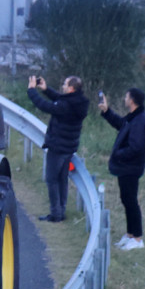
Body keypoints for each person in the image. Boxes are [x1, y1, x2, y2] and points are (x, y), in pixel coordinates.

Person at [27, 75, 90, 222]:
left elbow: (45, 106)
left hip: (58, 147)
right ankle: (60, 211)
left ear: (71, 88)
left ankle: (56, 214)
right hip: (69, 147)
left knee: (51, 179)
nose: (62, 86)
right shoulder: (78, 102)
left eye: (65, 84)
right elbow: (61, 99)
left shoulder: (66, 106)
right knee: (62, 179)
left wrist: (32, 90)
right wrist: (46, 89)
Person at [99, 88, 145, 249]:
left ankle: (138, 238)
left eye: (126, 96)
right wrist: (107, 112)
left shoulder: (140, 120)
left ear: (132, 100)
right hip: (126, 167)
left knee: (131, 201)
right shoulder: (133, 117)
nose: (124, 98)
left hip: (131, 168)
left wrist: (118, 154)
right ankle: (130, 235)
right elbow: (121, 124)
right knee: (126, 199)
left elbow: (136, 147)